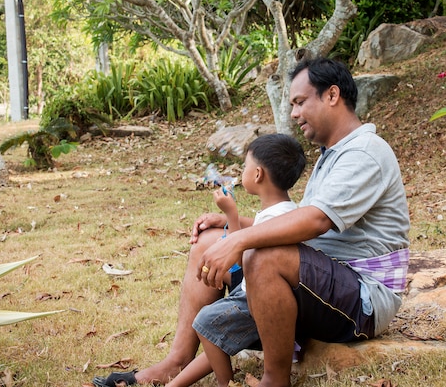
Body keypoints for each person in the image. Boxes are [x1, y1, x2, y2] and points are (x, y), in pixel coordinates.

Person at [93, 57, 410, 387]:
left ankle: (275, 380)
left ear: (332, 95)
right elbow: (294, 219)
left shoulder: (364, 152)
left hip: (364, 298)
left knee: (261, 254)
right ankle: (177, 360)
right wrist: (234, 225)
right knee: (210, 239)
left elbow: (316, 221)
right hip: (327, 279)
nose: (294, 114)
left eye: (300, 102)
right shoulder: (333, 153)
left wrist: (240, 239)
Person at [92, 133, 306, 387]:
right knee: (210, 329)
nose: (241, 172)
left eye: (245, 166)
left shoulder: (277, 218)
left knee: (205, 322)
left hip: (257, 301)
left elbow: (239, 253)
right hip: (254, 293)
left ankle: (225, 382)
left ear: (258, 174)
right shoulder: (283, 211)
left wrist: (231, 213)